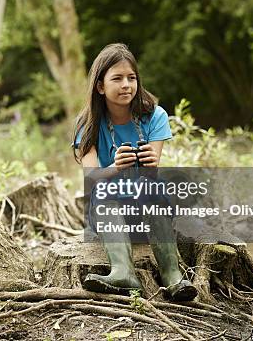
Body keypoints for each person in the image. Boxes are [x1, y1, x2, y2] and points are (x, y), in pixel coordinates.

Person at [72, 43, 197, 301]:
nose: (126, 84)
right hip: (108, 219)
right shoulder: (87, 124)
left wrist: (150, 165)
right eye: (116, 78)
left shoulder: (155, 116)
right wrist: (115, 167)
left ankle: (173, 275)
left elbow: (152, 177)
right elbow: (90, 177)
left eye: (131, 78)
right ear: (100, 86)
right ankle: (122, 272)